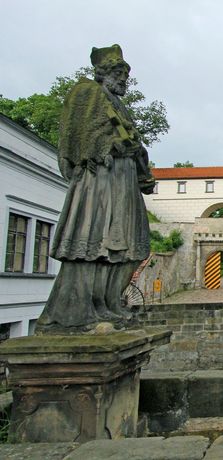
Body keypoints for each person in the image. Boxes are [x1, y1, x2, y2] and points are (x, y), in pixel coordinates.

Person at [37, 44, 155, 332]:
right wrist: (113, 144)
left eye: (125, 74)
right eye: (119, 73)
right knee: (97, 241)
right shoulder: (86, 93)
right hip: (100, 181)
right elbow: (81, 137)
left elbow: (132, 141)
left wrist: (140, 162)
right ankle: (79, 310)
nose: (124, 79)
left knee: (131, 245)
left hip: (123, 180)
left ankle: (107, 303)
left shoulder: (118, 103)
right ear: (104, 73)